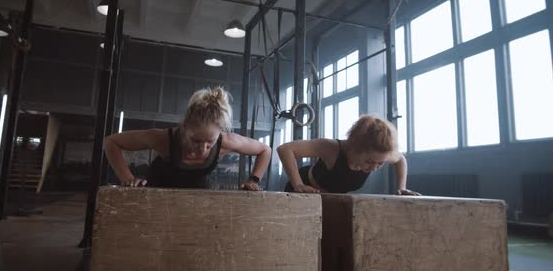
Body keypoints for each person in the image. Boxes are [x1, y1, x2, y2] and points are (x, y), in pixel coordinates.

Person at [104, 87, 271, 191]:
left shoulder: (226, 142)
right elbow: (111, 142)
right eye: (196, 141)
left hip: (197, 193)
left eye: (209, 143)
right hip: (158, 193)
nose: (202, 149)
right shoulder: (163, 139)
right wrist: (127, 178)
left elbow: (265, 150)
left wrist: (253, 180)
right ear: (185, 126)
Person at [277, 115, 420, 195]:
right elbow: (285, 149)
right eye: (370, 161)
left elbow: (400, 159)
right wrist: (298, 184)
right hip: (303, 189)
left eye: (380, 163)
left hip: (329, 196)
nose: (374, 167)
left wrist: (401, 187)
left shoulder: (379, 154)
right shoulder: (331, 148)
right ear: (355, 147)